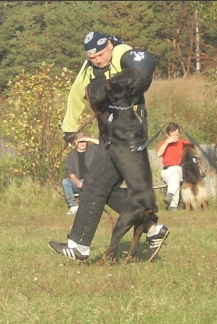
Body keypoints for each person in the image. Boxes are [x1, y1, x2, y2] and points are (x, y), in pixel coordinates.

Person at [48, 31, 169, 261]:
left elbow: (141, 72)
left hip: (128, 133)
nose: (97, 60)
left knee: (93, 184)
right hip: (110, 135)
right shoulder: (87, 69)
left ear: (110, 45)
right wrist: (69, 128)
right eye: (92, 57)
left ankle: (79, 245)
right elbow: (75, 95)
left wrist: (110, 86)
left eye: (101, 54)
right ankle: (152, 227)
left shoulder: (122, 53)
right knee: (108, 189)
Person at [62, 132, 99, 215]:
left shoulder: (93, 150)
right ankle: (73, 206)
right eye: (80, 142)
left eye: (84, 142)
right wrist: (77, 181)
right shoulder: (71, 154)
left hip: (92, 181)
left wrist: (89, 138)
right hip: (79, 182)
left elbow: (102, 143)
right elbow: (70, 171)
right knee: (65, 182)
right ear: (76, 142)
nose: (83, 144)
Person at [156, 123, 191, 210]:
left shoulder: (183, 143)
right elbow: (158, 154)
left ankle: (170, 197)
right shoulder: (163, 143)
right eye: (173, 136)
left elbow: (193, 151)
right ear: (167, 135)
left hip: (181, 169)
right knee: (174, 177)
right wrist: (167, 142)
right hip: (167, 171)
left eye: (177, 135)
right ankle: (173, 206)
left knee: (175, 173)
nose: (176, 138)